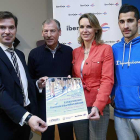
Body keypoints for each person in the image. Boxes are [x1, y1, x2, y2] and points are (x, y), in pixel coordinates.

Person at [0, 11, 47, 140]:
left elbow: (21, 83)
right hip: (4, 124)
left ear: (16, 29)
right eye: (2, 27)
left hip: (24, 123)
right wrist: (26, 117)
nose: (7, 31)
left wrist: (37, 84)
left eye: (11, 27)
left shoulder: (20, 55)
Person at [28, 19, 74, 140]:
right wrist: (38, 83)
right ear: (42, 33)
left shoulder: (69, 51)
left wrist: (71, 81)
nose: (49, 35)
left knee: (67, 135)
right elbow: (29, 80)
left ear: (59, 32)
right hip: (44, 104)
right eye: (46, 31)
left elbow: (74, 76)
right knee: (47, 136)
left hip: (65, 103)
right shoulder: (34, 54)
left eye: (52, 31)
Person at [72, 13, 114, 140]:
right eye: (82, 27)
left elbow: (107, 80)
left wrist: (98, 106)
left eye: (89, 26)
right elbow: (75, 78)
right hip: (79, 105)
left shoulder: (105, 49)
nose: (85, 30)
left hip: (98, 105)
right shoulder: (75, 52)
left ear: (96, 29)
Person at [111, 4, 140, 140]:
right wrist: (112, 95)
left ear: (138, 22)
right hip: (120, 113)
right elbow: (109, 77)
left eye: (130, 20)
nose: (125, 26)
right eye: (122, 22)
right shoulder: (114, 49)